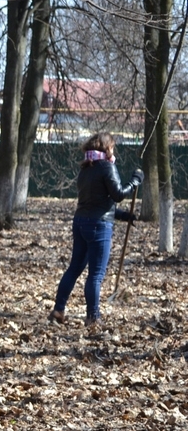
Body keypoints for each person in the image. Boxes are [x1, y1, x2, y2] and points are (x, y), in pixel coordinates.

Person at [49, 132, 142, 328]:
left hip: (81, 222)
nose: (113, 151)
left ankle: (58, 309)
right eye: (113, 147)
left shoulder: (86, 169)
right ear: (107, 148)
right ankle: (93, 317)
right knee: (96, 275)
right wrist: (134, 182)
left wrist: (124, 216)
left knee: (74, 269)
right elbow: (117, 195)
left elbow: (99, 202)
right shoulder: (107, 167)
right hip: (99, 227)